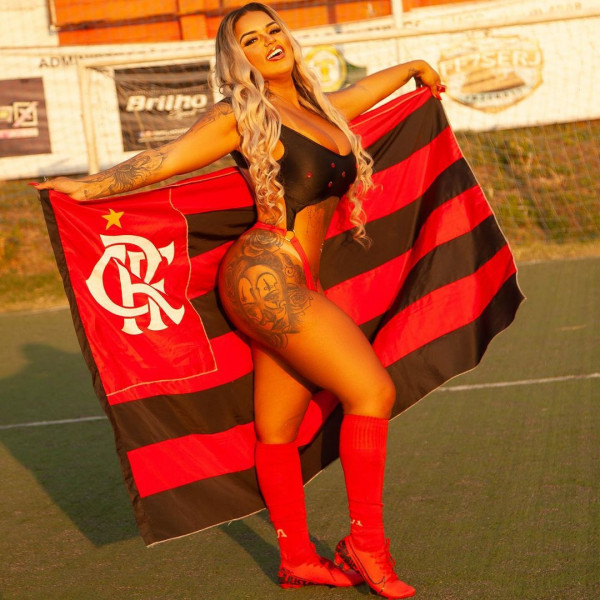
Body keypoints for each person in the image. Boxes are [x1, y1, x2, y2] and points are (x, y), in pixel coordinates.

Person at [35, 3, 442, 598]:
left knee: (278, 431)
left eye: (273, 29)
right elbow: (165, 160)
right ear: (237, 58)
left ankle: (296, 559)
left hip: (295, 279)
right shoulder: (242, 114)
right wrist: (86, 187)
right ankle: (366, 544)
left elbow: (359, 93)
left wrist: (413, 67)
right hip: (266, 275)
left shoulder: (319, 110)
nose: (268, 41)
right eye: (250, 39)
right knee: (372, 392)